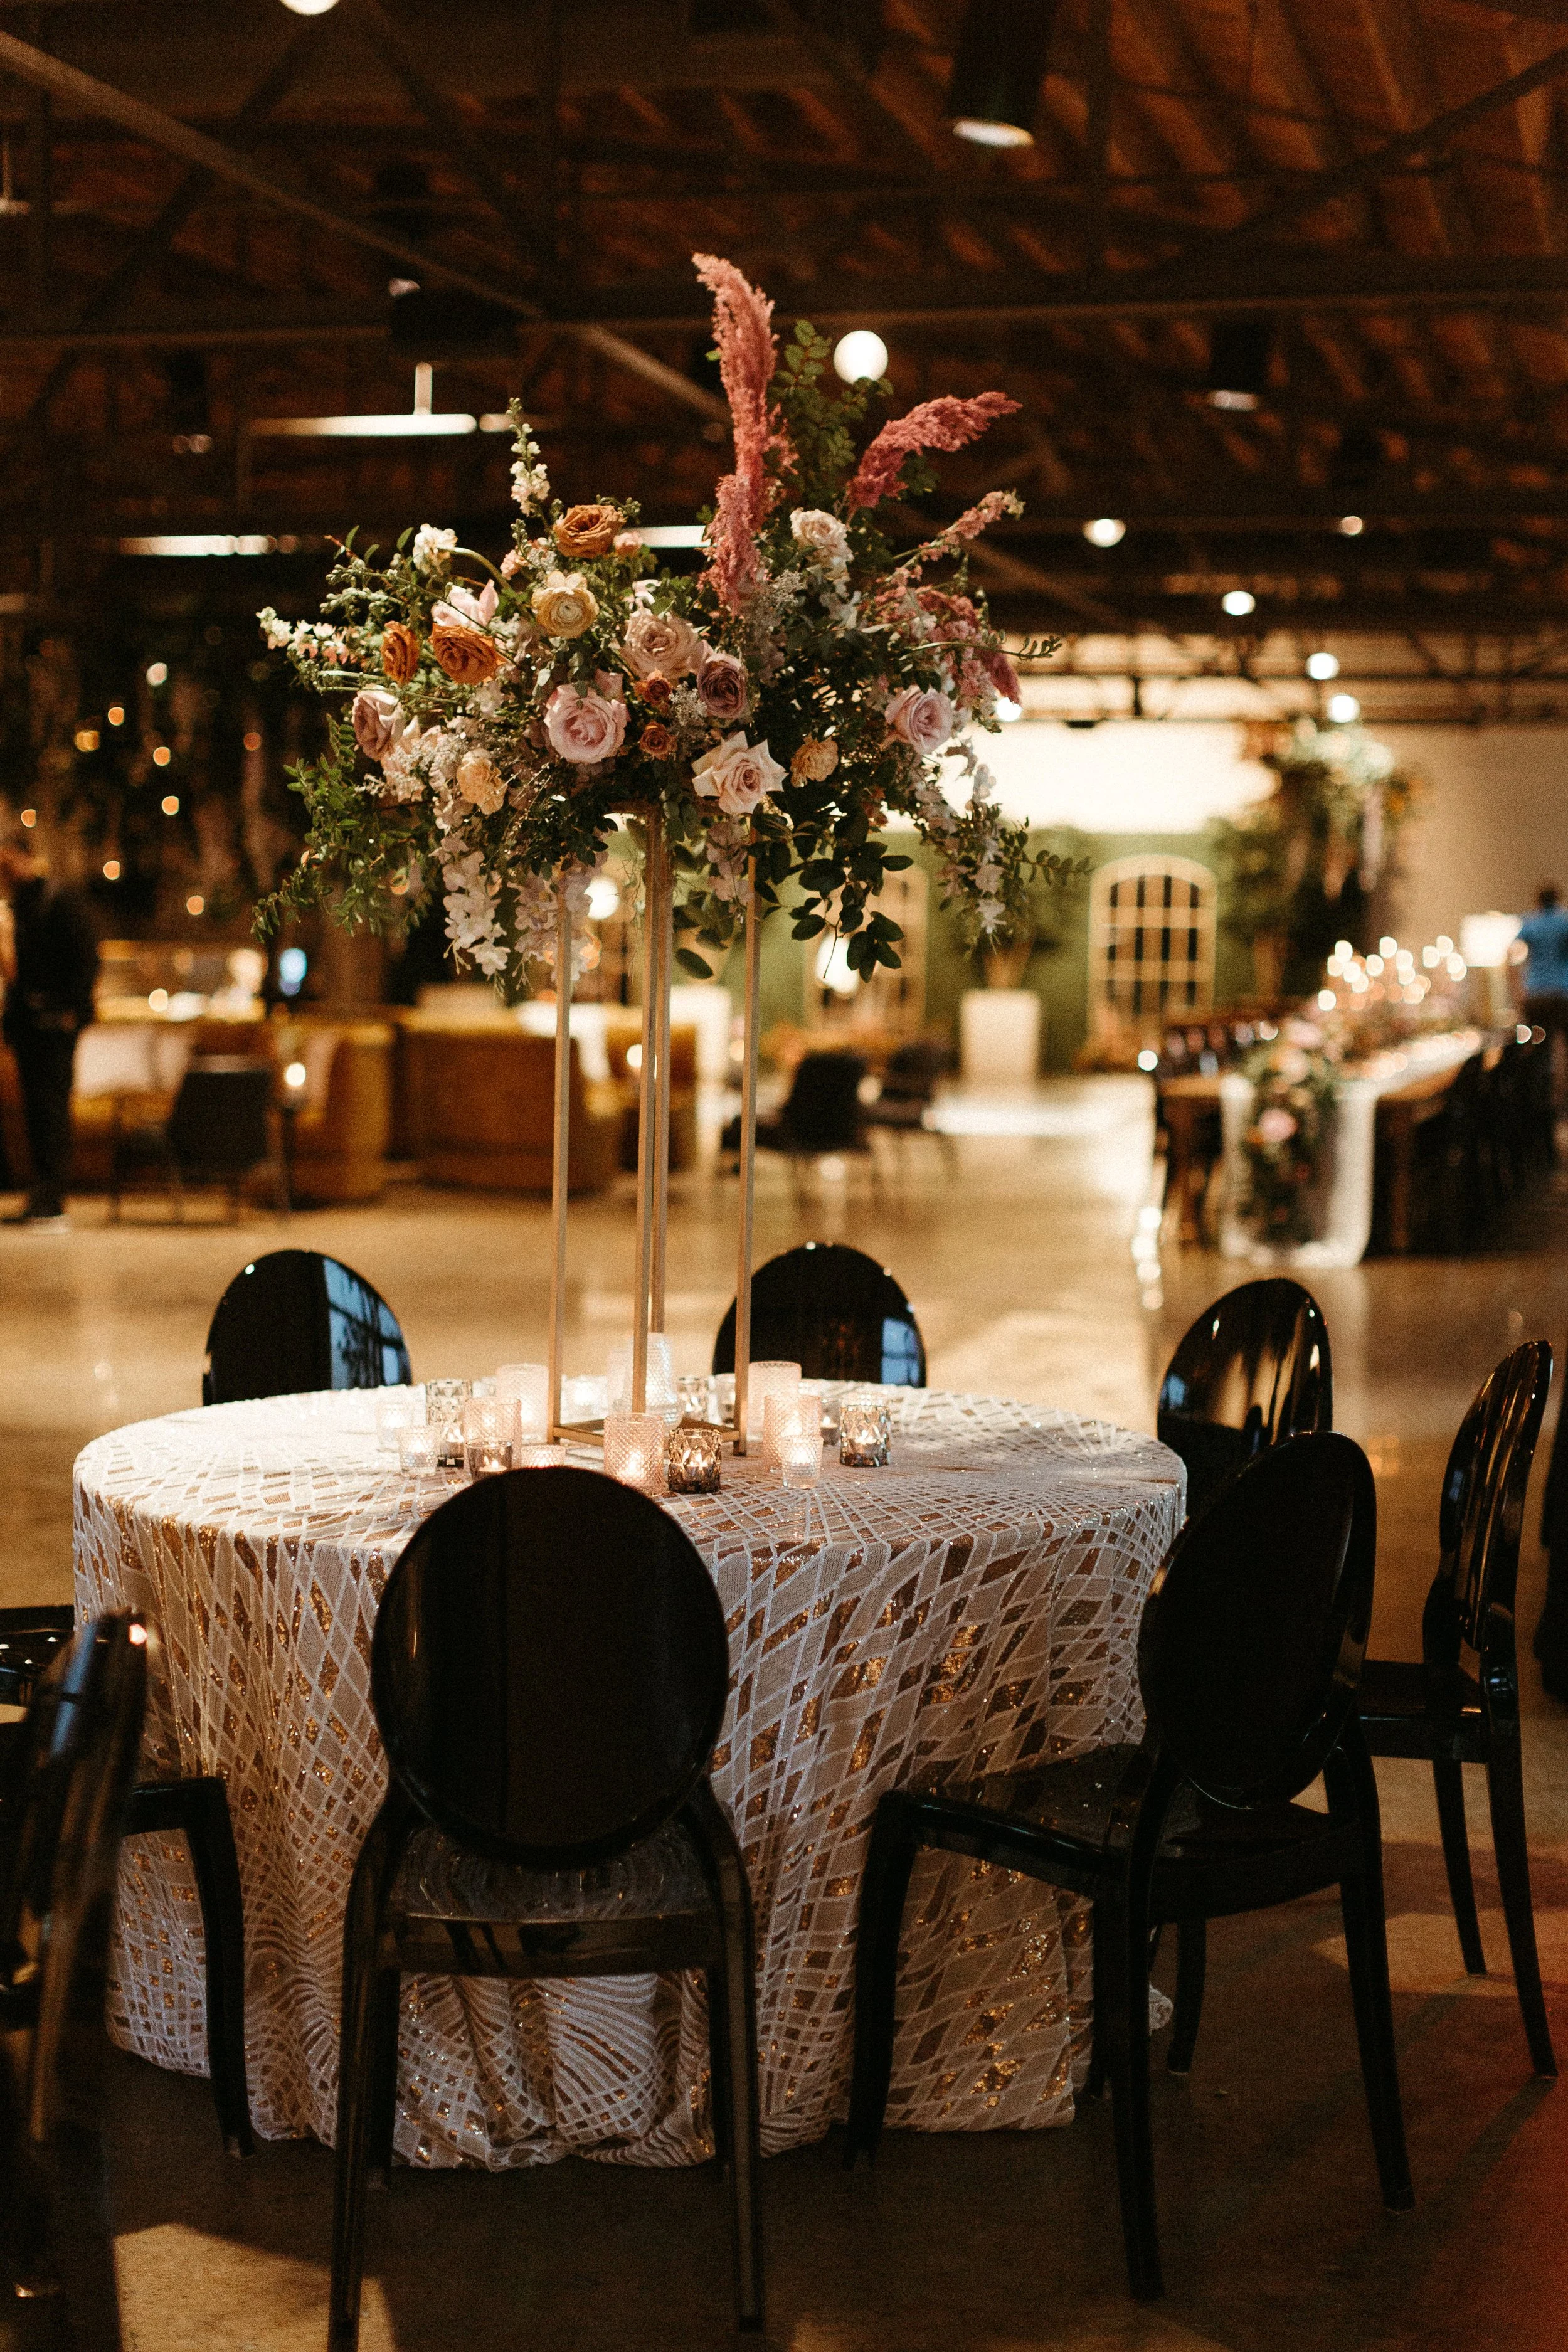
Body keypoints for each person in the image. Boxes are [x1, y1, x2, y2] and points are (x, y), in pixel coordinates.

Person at [0, 825, 100, 1227]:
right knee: (36, 1109)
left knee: (52, 1106)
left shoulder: (60, 900)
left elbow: (87, 957)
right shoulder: (17, 906)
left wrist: (69, 1012)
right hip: (27, 1024)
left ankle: (53, 1195)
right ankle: (43, 1192)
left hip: (54, 1024)